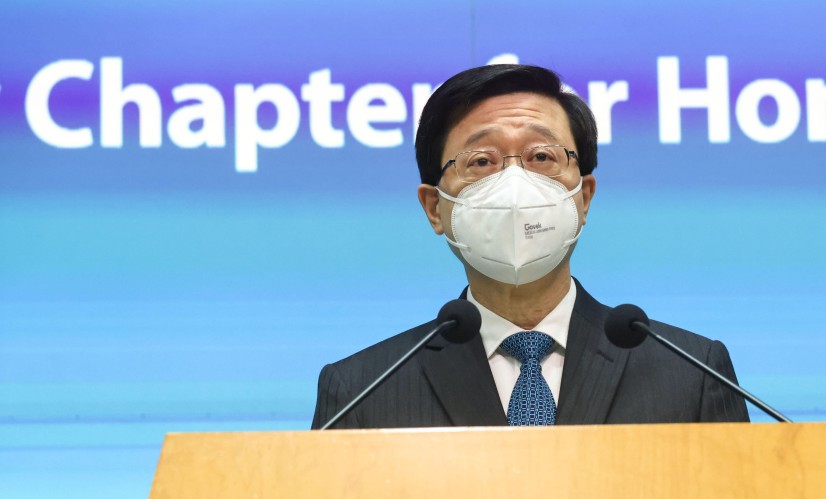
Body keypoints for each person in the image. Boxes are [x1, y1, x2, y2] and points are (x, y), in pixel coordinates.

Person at [312, 64, 749, 429]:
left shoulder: (691, 372)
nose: (514, 184)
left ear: (584, 197)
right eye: (481, 161)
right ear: (434, 208)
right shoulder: (362, 392)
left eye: (542, 157)